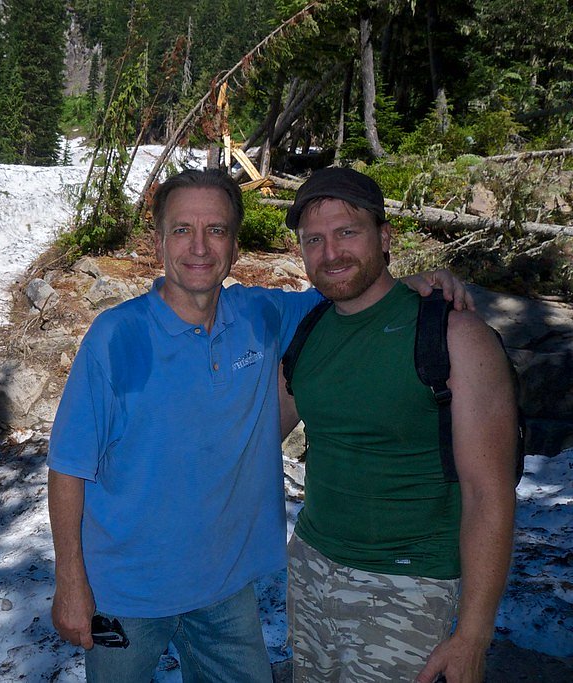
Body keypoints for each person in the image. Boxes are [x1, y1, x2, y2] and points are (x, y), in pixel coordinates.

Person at [47, 168, 471, 682]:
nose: (199, 247)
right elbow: (68, 465)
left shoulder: (262, 314)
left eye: (217, 230)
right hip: (127, 591)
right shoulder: (114, 336)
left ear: (234, 244)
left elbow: (348, 289)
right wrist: (71, 580)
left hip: (226, 588)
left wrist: (410, 283)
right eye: (182, 230)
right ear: (159, 241)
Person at [281, 167, 518, 683]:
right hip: (311, 565)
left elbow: (489, 493)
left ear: (384, 238)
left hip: (406, 584)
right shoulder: (312, 328)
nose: (331, 253)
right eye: (314, 240)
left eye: (348, 232)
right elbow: (256, 433)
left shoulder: (456, 336)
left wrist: (473, 635)